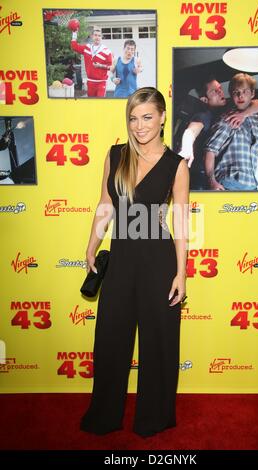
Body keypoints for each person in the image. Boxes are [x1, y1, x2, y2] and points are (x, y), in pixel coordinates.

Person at [80, 87, 189, 437]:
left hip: (158, 262)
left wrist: (181, 274)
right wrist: (92, 245)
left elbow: (182, 224)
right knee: (111, 339)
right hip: (122, 260)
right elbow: (105, 206)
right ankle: (105, 414)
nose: (139, 125)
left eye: (146, 117)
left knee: (159, 342)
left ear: (161, 118)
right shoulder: (116, 155)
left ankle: (154, 418)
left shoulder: (177, 165)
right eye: (133, 117)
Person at [175, 78, 258, 190]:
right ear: (204, 99)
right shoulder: (205, 115)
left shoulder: (229, 110)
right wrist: (187, 148)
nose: (220, 92)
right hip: (200, 177)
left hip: (218, 177)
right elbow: (191, 131)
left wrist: (244, 115)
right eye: (214, 91)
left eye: (220, 88)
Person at [203, 73, 258, 191]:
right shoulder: (226, 118)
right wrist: (212, 181)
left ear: (252, 93)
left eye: (245, 91)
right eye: (236, 92)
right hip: (228, 183)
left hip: (251, 185)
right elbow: (210, 150)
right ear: (232, 95)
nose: (240, 96)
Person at [70, 28, 113, 97]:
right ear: (92, 36)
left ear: (101, 37)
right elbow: (74, 47)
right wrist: (74, 34)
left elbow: (111, 67)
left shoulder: (107, 51)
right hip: (90, 82)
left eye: (99, 36)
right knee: (91, 104)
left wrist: (100, 66)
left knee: (100, 104)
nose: (97, 37)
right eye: (95, 35)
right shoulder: (87, 48)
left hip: (101, 82)